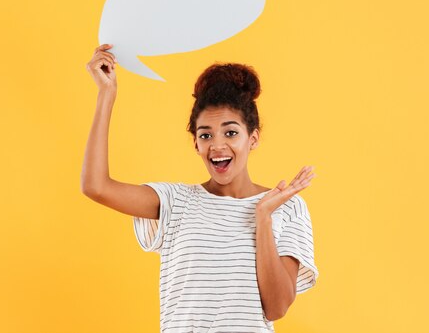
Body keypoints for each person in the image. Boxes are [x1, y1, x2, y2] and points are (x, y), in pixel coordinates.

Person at [81, 43, 320, 332]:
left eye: (231, 132)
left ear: (252, 138)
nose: (217, 145)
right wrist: (107, 94)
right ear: (196, 143)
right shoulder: (175, 202)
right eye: (205, 135)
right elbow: (96, 186)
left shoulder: (287, 206)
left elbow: (277, 306)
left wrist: (263, 218)